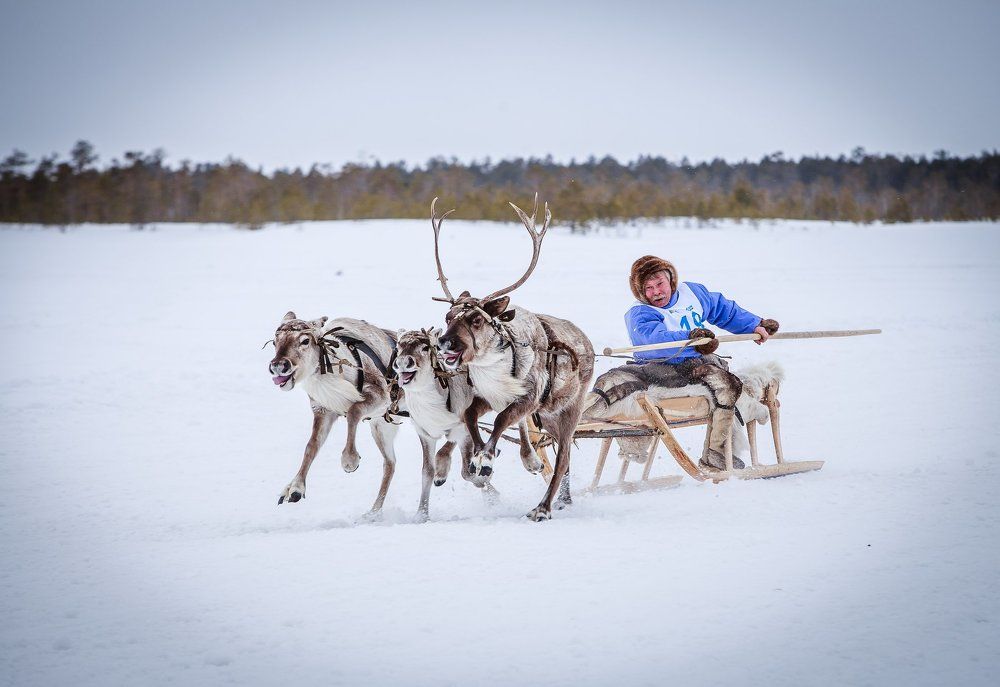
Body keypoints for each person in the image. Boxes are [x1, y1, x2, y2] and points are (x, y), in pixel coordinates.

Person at [623, 255, 779, 470]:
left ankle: (717, 452)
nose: (656, 292)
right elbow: (653, 340)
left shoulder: (692, 294)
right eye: (648, 288)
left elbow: (724, 310)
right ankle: (722, 447)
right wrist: (692, 341)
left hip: (697, 361)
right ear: (640, 291)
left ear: (671, 280)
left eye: (659, 283)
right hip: (661, 367)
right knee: (722, 382)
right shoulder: (640, 312)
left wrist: (754, 325)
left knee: (727, 382)